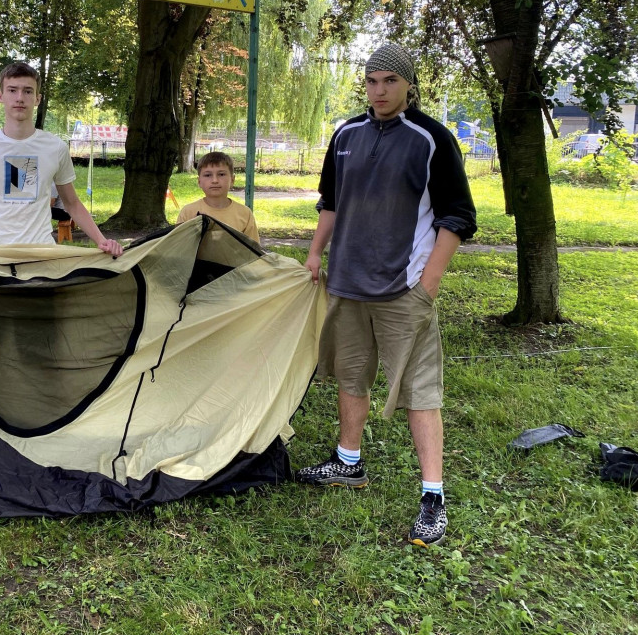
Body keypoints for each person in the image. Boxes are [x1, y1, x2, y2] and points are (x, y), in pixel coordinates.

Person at [297, 43, 477, 548]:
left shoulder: (431, 138)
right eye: (372, 81)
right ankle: (347, 462)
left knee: (419, 390)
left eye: (389, 82)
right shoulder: (346, 134)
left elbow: (457, 217)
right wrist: (315, 253)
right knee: (351, 376)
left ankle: (433, 497)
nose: (378, 91)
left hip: (404, 289)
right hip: (348, 283)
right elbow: (330, 202)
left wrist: (429, 283)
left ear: (408, 85)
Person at [0, 61, 123, 256]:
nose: (20, 98)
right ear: (0, 96)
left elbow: (72, 203)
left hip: (39, 254)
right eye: (12, 90)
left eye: (28, 91)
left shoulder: (55, 148)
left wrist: (102, 241)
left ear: (37, 98)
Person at [176, 151, 259, 242]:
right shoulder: (188, 212)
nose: (215, 180)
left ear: (232, 180)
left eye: (221, 174)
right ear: (199, 181)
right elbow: (178, 248)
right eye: (208, 175)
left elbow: (253, 252)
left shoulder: (244, 213)